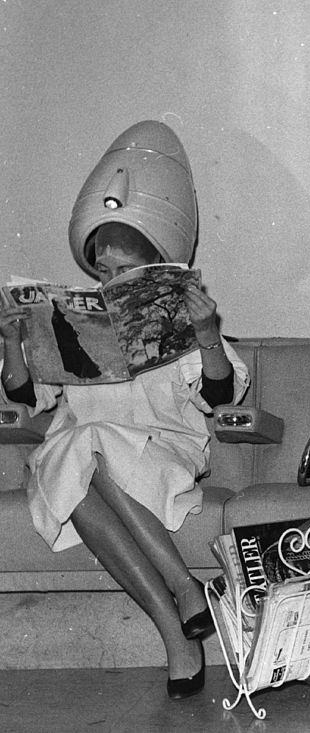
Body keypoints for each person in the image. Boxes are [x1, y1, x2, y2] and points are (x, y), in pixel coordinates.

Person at [0, 221, 249, 700]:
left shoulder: (175, 319)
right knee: (79, 447)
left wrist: (204, 332)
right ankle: (179, 608)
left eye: (125, 269)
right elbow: (26, 393)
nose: (109, 279)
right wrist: (13, 342)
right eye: (103, 269)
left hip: (161, 451)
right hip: (82, 454)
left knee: (78, 451)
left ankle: (180, 607)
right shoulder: (70, 321)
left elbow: (220, 395)